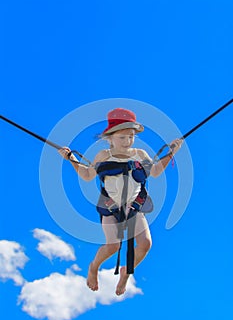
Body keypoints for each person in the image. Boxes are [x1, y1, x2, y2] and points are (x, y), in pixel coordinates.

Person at [59, 108, 183, 295]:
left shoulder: (140, 154)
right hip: (110, 207)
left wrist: (171, 152)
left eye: (131, 137)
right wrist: (71, 158)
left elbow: (156, 171)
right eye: (122, 137)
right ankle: (94, 267)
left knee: (145, 244)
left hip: (134, 206)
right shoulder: (103, 156)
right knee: (113, 245)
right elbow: (86, 175)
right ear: (109, 138)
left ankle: (126, 272)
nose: (127, 142)